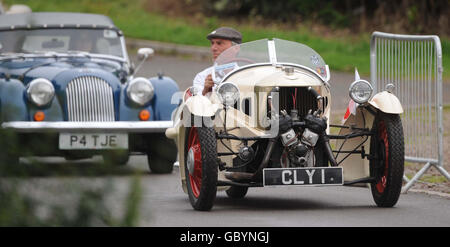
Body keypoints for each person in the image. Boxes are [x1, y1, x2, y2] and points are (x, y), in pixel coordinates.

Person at [193, 27, 242, 96]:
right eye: (212, 43)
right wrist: (205, 91)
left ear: (236, 48)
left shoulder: (245, 75)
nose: (213, 48)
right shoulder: (202, 76)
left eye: (219, 43)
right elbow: (196, 104)